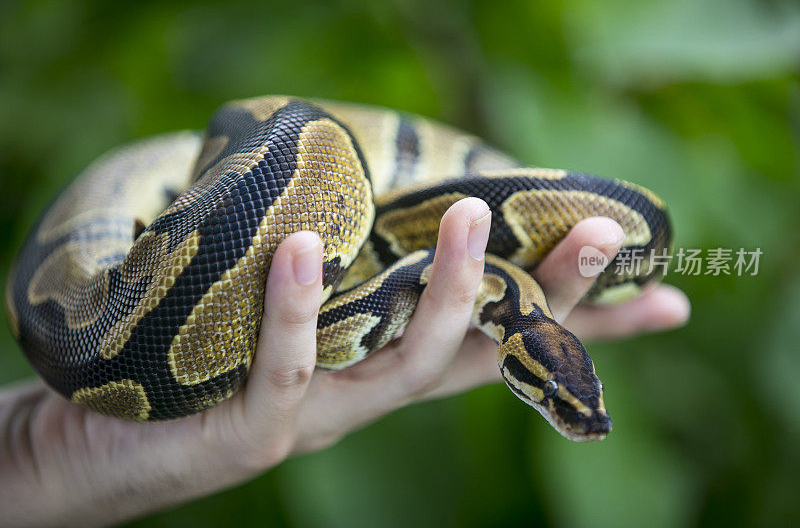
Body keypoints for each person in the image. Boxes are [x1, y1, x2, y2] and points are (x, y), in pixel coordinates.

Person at [0, 198, 689, 526]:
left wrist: (45, 452)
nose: (576, 411)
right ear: (520, 363)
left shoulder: (505, 311)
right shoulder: (496, 308)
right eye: (562, 399)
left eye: (569, 400)